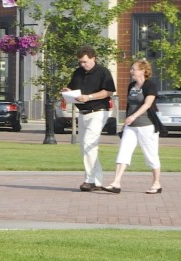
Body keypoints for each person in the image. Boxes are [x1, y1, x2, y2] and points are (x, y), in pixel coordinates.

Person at [103, 59, 162, 194]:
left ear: (142, 71)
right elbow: (130, 105)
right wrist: (126, 121)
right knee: (123, 152)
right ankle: (116, 182)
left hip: (147, 125)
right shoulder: (131, 86)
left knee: (151, 155)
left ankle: (156, 183)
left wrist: (134, 116)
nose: (131, 71)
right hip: (131, 126)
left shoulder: (150, 85)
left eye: (133, 69)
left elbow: (147, 104)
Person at [64, 46, 116, 192]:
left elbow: (109, 91)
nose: (82, 64)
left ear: (94, 58)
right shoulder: (78, 72)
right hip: (83, 112)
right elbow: (72, 87)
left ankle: (90, 180)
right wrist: (67, 91)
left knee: (89, 143)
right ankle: (97, 180)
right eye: (80, 62)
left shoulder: (103, 72)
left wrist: (89, 97)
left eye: (85, 61)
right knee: (86, 147)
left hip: (99, 111)